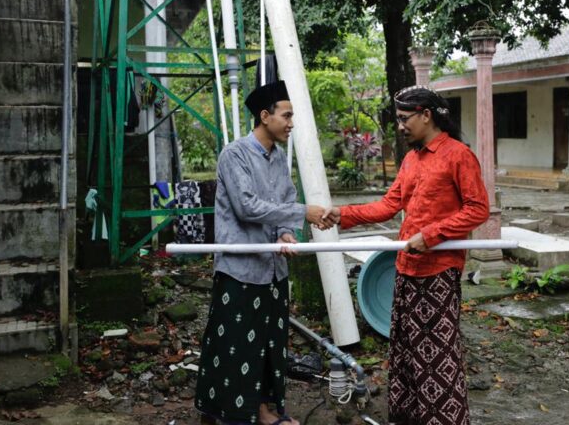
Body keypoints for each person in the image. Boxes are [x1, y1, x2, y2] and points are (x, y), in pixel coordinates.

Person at [323, 85, 490, 425]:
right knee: (407, 351)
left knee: (437, 355)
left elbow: (478, 209)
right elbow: (388, 205)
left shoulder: (458, 155)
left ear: (426, 115)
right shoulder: (411, 159)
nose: (399, 126)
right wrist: (344, 214)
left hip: (438, 272)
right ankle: (409, 416)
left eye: (403, 119)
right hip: (406, 269)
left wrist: (430, 236)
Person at [196, 80, 327, 425]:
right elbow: (247, 208)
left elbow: (283, 200)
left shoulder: (280, 158)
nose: (291, 123)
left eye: (292, 115)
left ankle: (266, 410)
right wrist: (302, 214)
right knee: (236, 345)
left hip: (273, 270)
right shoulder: (234, 154)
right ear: (265, 116)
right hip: (240, 269)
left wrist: (286, 232)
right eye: (286, 115)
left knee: (271, 345)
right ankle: (231, 413)